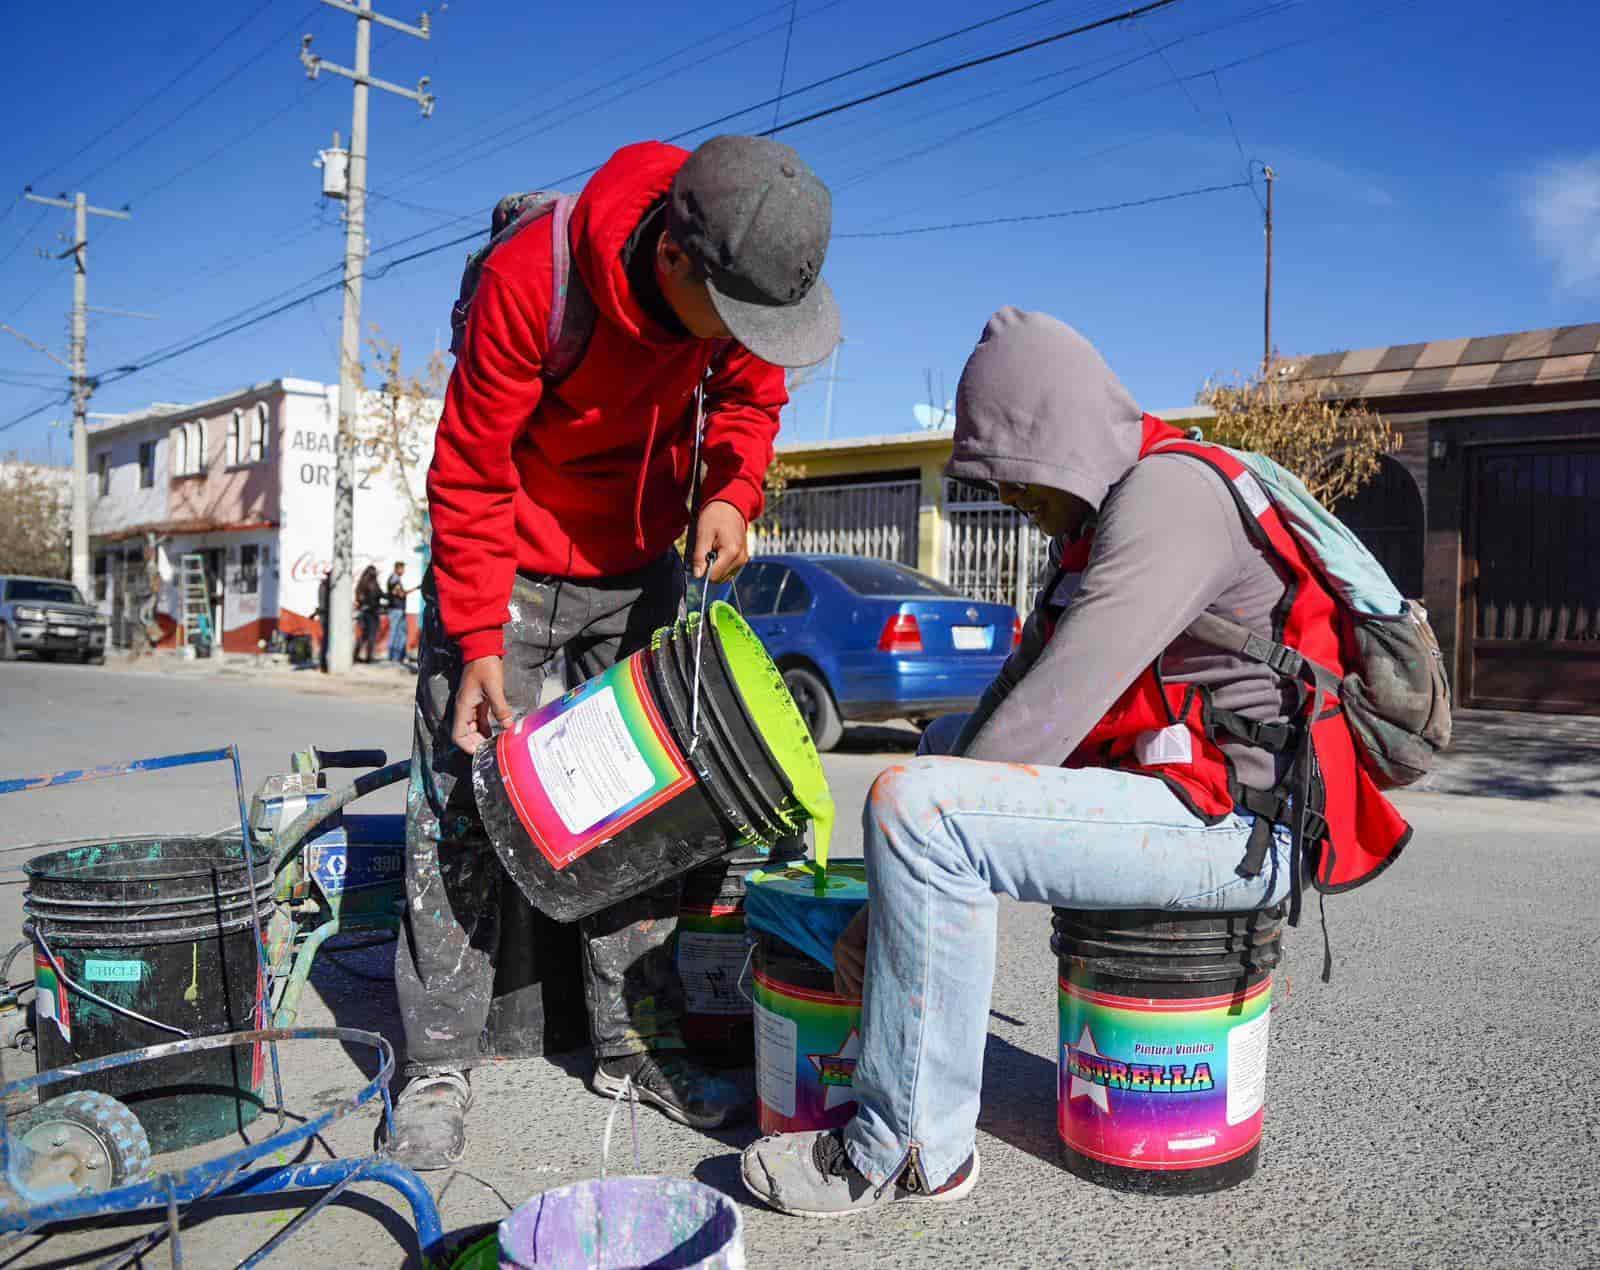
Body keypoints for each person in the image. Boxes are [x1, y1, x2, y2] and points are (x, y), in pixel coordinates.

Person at [740, 308, 1410, 1217]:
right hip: (1188, 798)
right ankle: (914, 1064)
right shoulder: (1097, 526)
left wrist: (876, 920)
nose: (1018, 506)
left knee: (918, 807)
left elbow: (1055, 709)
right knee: (937, 754)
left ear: (1059, 444)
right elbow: (1000, 710)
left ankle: (904, 1149)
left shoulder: (1171, 500)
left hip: (1243, 830)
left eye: (1018, 483)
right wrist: (896, 905)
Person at [389, 134, 838, 1170]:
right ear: (674, 259)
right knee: (462, 796)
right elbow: (469, 468)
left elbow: (750, 397)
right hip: (509, 565)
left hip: (636, 570)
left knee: (643, 802)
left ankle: (633, 1042)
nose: (743, 337)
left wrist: (732, 489)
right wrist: (475, 636)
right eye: (734, 317)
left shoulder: (738, 275)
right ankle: (438, 1063)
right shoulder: (529, 282)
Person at [354, 565, 383, 663]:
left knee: (363, 636)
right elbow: (380, 595)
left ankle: (355, 655)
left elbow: (358, 599)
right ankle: (368, 657)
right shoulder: (373, 584)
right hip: (372, 612)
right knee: (372, 635)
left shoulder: (361, 584)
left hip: (363, 612)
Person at [385, 561, 413, 664]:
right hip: (396, 609)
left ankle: (398, 656)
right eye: (402, 569)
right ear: (397, 568)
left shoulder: (395, 579)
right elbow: (400, 594)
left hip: (398, 609)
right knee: (395, 632)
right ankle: (393, 656)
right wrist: (413, 589)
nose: (403, 571)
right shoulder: (394, 579)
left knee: (400, 632)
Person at [315, 568, 332, 673]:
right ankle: (323, 664)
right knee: (325, 641)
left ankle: (324, 664)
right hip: (325, 616)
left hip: (325, 615)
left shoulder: (325, 586)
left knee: (326, 642)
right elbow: (324, 604)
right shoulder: (325, 586)